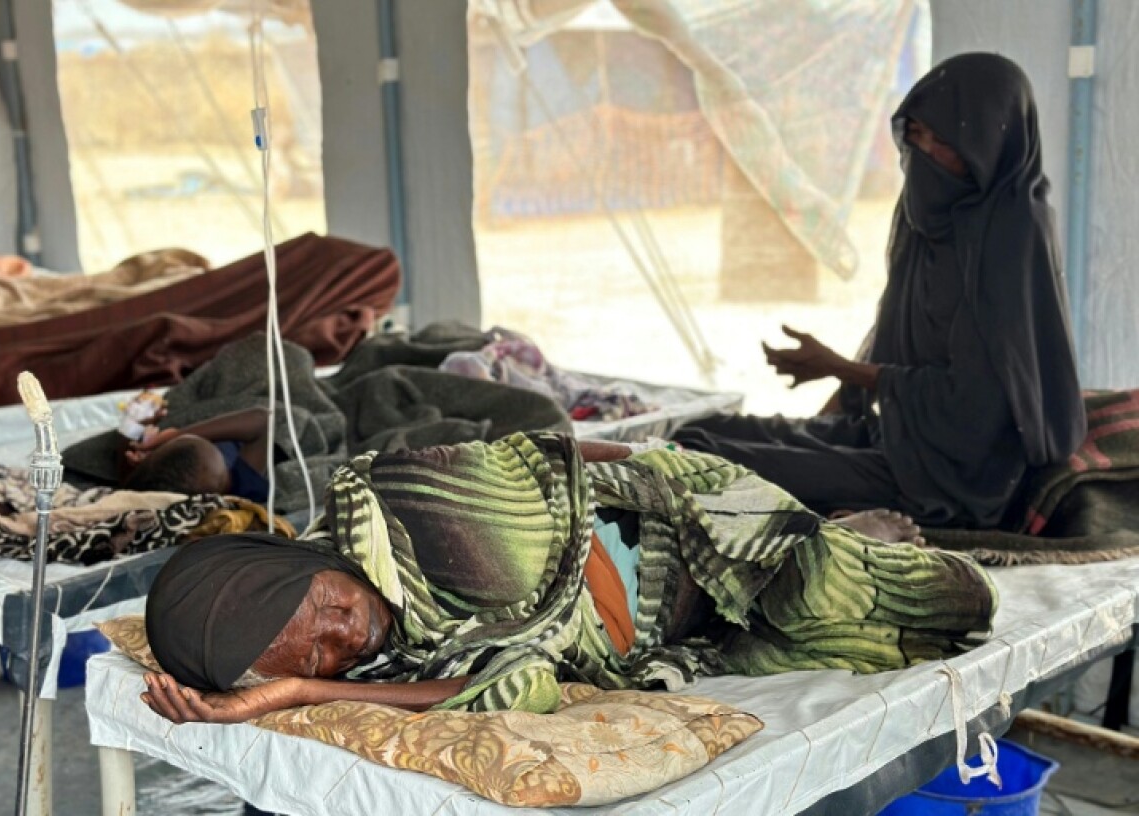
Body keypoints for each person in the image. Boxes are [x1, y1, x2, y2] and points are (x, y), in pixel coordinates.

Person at [140, 432, 997, 723]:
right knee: (866, 643)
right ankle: (832, 533)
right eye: (318, 659)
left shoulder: (411, 500)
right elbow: (514, 683)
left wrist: (721, 494)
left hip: (673, 525)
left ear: (300, 561)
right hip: (676, 631)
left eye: (324, 608)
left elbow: (559, 458)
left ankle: (824, 529)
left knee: (958, 599)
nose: (346, 637)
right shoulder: (374, 663)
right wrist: (297, 697)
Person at [671, 53, 1086, 529]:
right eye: (915, 134)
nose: (923, 153)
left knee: (704, 465)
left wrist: (840, 368)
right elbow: (890, 329)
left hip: (956, 475)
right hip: (896, 433)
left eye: (941, 141)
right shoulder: (925, 213)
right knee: (695, 434)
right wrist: (830, 413)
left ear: (989, 144)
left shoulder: (1012, 233)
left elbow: (977, 403)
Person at [119, 407, 274, 502]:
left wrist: (144, 437)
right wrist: (170, 438)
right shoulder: (243, 489)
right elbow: (262, 419)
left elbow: (125, 446)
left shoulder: (144, 481)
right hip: (237, 425)